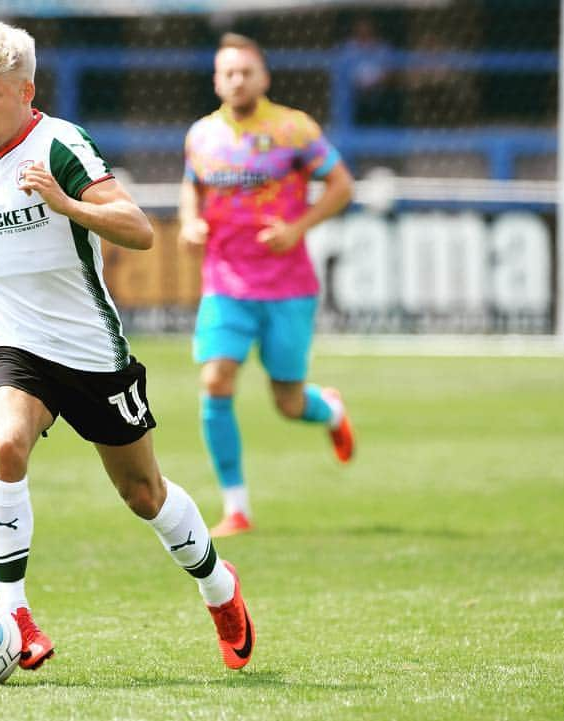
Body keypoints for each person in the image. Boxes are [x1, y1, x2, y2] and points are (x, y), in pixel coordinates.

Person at [0, 22, 254, 673]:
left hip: (92, 352)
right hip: (15, 344)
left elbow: (137, 229)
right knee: (4, 444)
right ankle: (17, 616)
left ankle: (219, 588)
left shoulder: (61, 145)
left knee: (144, 494)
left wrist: (64, 202)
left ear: (26, 91)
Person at [178, 33, 356, 537]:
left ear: (264, 78)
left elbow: (342, 184)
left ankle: (330, 409)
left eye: (246, 72)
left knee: (288, 403)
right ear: (216, 80)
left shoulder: (293, 129)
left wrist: (298, 228)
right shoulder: (202, 135)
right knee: (215, 380)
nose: (237, 80)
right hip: (225, 282)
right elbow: (191, 186)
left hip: (287, 285)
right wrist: (191, 222)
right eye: (228, 72)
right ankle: (236, 508)